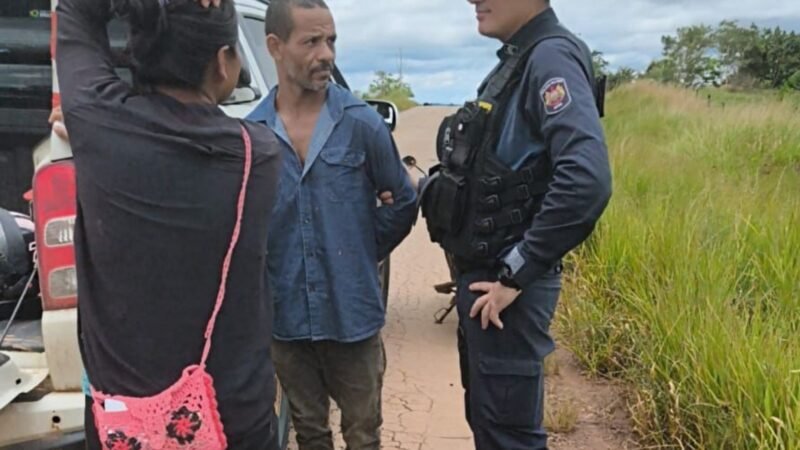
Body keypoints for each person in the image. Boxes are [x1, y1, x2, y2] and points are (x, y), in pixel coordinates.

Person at [55, 0, 282, 448]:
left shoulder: (95, 122)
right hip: (233, 422)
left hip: (123, 428)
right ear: (223, 63)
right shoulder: (257, 155)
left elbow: (76, 9)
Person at [412, 0, 612, 448]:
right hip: (490, 283)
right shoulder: (523, 58)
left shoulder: (551, 57)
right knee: (492, 427)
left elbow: (586, 180)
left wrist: (516, 272)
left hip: (504, 291)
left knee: (509, 437)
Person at [245, 0, 417, 448]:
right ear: (275, 46)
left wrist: (361, 250)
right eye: (311, 42)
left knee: (363, 434)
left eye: (331, 41)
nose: (326, 54)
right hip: (286, 320)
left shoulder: (361, 124)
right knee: (309, 433)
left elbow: (403, 200)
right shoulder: (252, 135)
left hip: (352, 315)